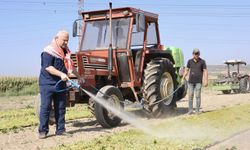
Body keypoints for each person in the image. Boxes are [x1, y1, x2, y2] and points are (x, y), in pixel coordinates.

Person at [38, 30, 81, 139]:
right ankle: (43, 131)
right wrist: (61, 74)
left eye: (67, 40)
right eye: (64, 40)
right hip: (47, 84)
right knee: (46, 107)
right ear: (57, 38)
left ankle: (60, 130)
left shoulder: (65, 51)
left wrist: (79, 76)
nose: (66, 43)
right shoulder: (48, 51)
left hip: (61, 84)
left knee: (61, 107)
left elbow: (71, 65)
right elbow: (48, 67)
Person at [181, 48, 208, 115]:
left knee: (198, 96)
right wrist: (183, 78)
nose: (196, 55)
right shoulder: (189, 61)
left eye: (198, 53)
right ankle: (190, 111)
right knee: (190, 96)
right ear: (193, 54)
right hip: (190, 82)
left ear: (199, 54)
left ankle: (197, 111)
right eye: (195, 53)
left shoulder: (202, 61)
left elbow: (205, 71)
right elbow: (186, 70)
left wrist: (206, 80)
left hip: (198, 82)